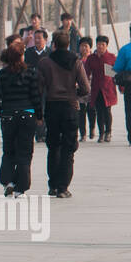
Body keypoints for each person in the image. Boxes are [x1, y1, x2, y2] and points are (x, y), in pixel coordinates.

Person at [36, 30, 90, 199]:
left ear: (53, 44)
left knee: (53, 147)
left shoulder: (45, 62)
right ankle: (63, 187)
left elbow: (38, 88)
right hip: (70, 108)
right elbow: (86, 88)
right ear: (68, 44)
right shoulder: (76, 62)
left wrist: (39, 111)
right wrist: (76, 94)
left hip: (52, 107)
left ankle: (52, 185)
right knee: (68, 148)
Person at [0, 44, 42, 197]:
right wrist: (39, 116)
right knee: (25, 152)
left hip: (8, 116)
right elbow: (36, 96)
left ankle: (7, 181)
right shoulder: (30, 73)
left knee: (8, 151)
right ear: (21, 57)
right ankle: (21, 188)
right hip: (27, 115)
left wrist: (0, 113)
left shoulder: (2, 74)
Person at [85, 36, 117, 142]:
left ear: (106, 46)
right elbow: (86, 73)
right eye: (99, 44)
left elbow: (114, 74)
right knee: (99, 112)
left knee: (107, 111)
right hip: (96, 89)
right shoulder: (91, 58)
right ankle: (101, 133)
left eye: (103, 45)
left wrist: (121, 87)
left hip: (108, 89)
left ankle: (108, 132)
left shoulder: (111, 58)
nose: (100, 47)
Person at [76, 39, 95, 141]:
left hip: (92, 87)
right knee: (81, 111)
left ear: (90, 47)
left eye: (86, 46)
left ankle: (92, 128)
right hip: (80, 87)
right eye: (82, 46)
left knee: (92, 110)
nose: (84, 48)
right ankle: (82, 133)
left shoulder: (93, 58)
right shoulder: (77, 59)